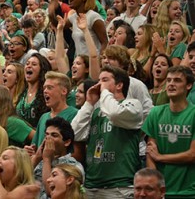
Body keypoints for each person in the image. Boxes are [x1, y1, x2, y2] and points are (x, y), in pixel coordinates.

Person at [72, 66, 143, 198]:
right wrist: (89, 103)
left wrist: (104, 92)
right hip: (91, 185)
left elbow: (115, 113)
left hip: (119, 186)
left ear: (119, 85)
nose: (99, 84)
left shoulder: (134, 104)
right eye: (98, 80)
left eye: (104, 80)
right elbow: (73, 134)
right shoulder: (95, 112)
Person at [142, 66, 195, 198]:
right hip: (162, 192)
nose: (171, 84)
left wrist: (160, 157)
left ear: (189, 85)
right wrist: (155, 186)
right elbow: (150, 152)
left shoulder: (194, 114)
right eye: (169, 80)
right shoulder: (155, 113)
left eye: (177, 80)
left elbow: (192, 155)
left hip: (189, 191)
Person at [30, 117, 84, 199]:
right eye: (46, 135)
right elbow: (19, 181)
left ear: (67, 142)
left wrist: (47, 160)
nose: (48, 139)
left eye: (54, 135)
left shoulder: (74, 166)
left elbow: (50, 192)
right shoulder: (40, 161)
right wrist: (36, 158)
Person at [32, 72, 78, 148]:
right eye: (44, 88)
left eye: (50, 88)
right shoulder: (43, 117)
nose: (45, 91)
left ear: (64, 91)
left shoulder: (74, 114)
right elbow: (35, 145)